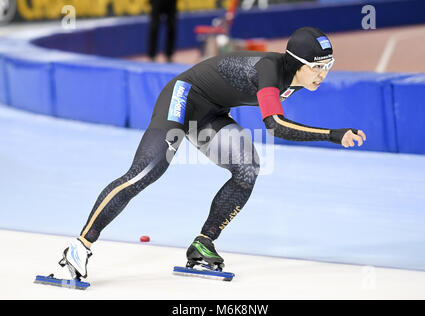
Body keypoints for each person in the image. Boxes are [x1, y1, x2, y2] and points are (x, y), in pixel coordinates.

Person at [58, 27, 366, 280]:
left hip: (212, 112)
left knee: (248, 167)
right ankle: (80, 245)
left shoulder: (299, 78)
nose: (322, 74)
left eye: (328, 66)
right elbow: (275, 125)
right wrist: (333, 135)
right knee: (147, 171)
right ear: (297, 62)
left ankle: (203, 244)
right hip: (182, 97)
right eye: (317, 67)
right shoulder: (271, 70)